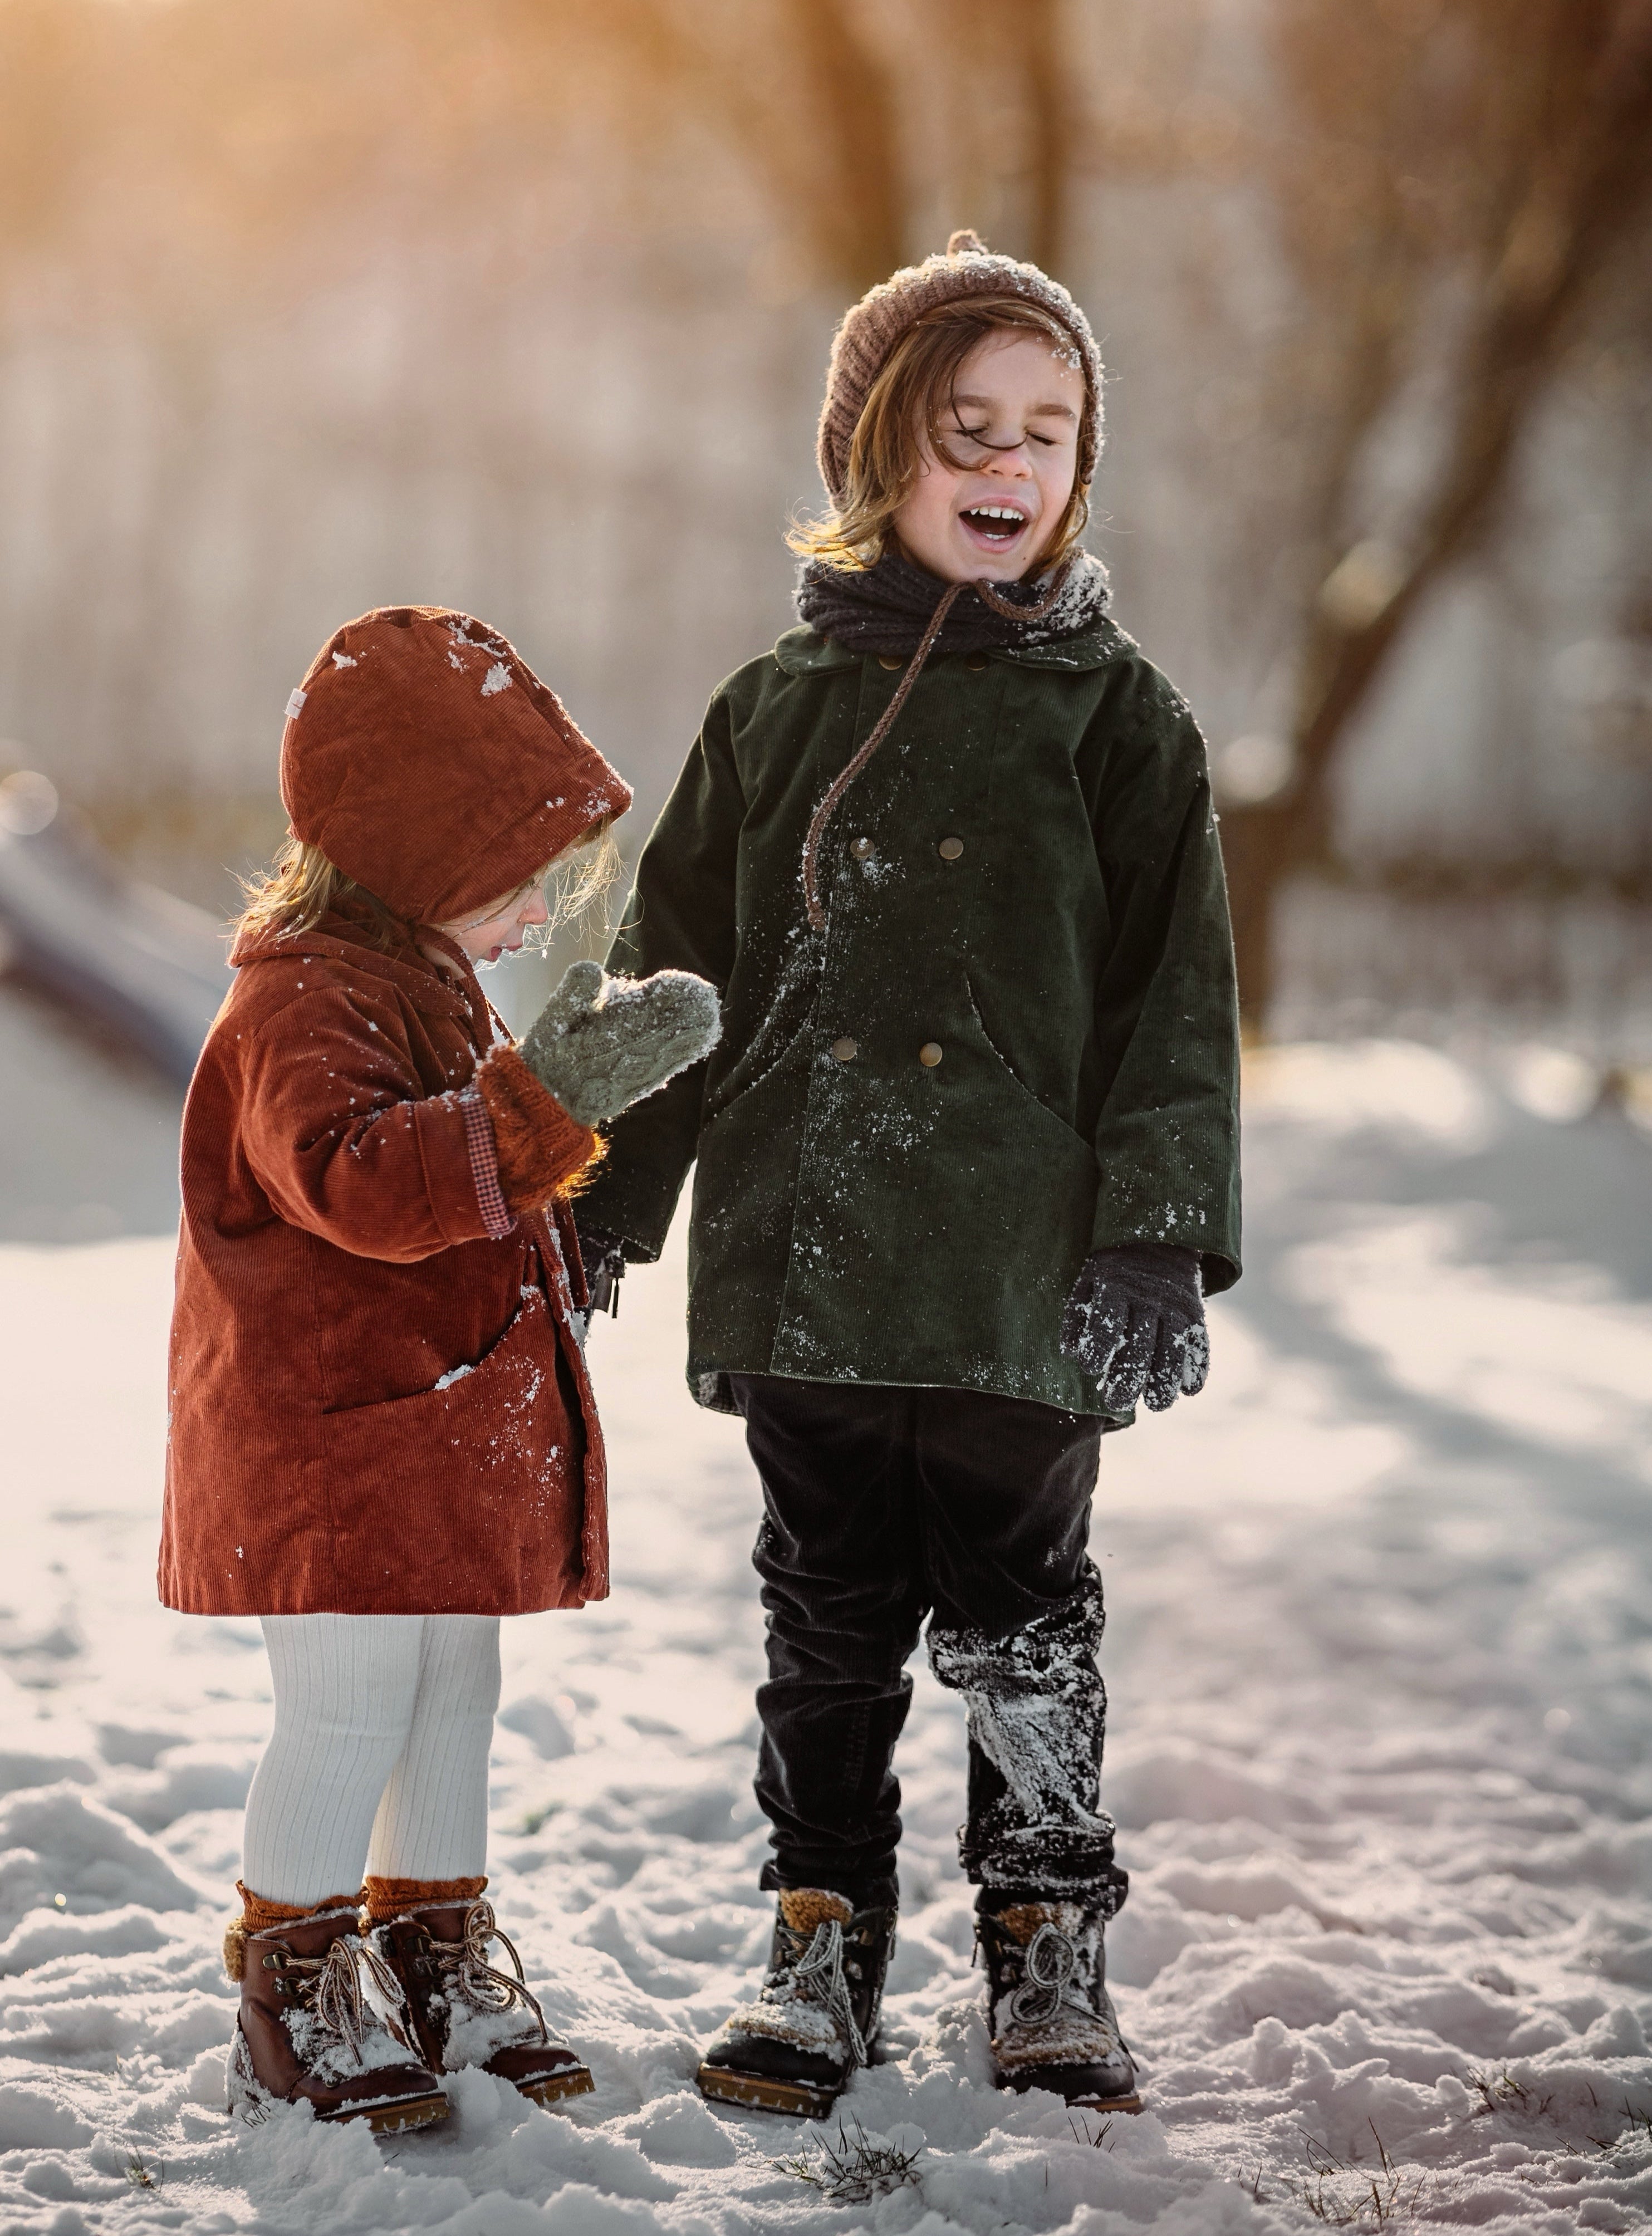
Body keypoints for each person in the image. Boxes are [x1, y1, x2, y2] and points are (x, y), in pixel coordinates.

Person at [577, 233, 1242, 2119]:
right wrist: (611, 1198)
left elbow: (1172, 1004)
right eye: (970, 428)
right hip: (810, 1259)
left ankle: (1047, 1957)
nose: (1010, 467)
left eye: (1048, 432)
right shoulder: (772, 712)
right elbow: (671, 982)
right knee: (827, 1622)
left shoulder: (1126, 726)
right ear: (882, 449)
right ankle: (820, 1944)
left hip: (1025, 1277)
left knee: (1028, 1617)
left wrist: (1155, 1240)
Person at [159, 605, 717, 2134]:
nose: (542, 915)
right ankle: (294, 1986)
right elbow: (368, 1185)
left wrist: (562, 1240)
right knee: (348, 1706)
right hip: (330, 1446)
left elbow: (471, 1196)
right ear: (412, 850)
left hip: (422, 1434)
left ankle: (431, 1950)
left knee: (454, 1692)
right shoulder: (298, 1001)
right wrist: (550, 1102)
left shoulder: (412, 978)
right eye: (519, 879)